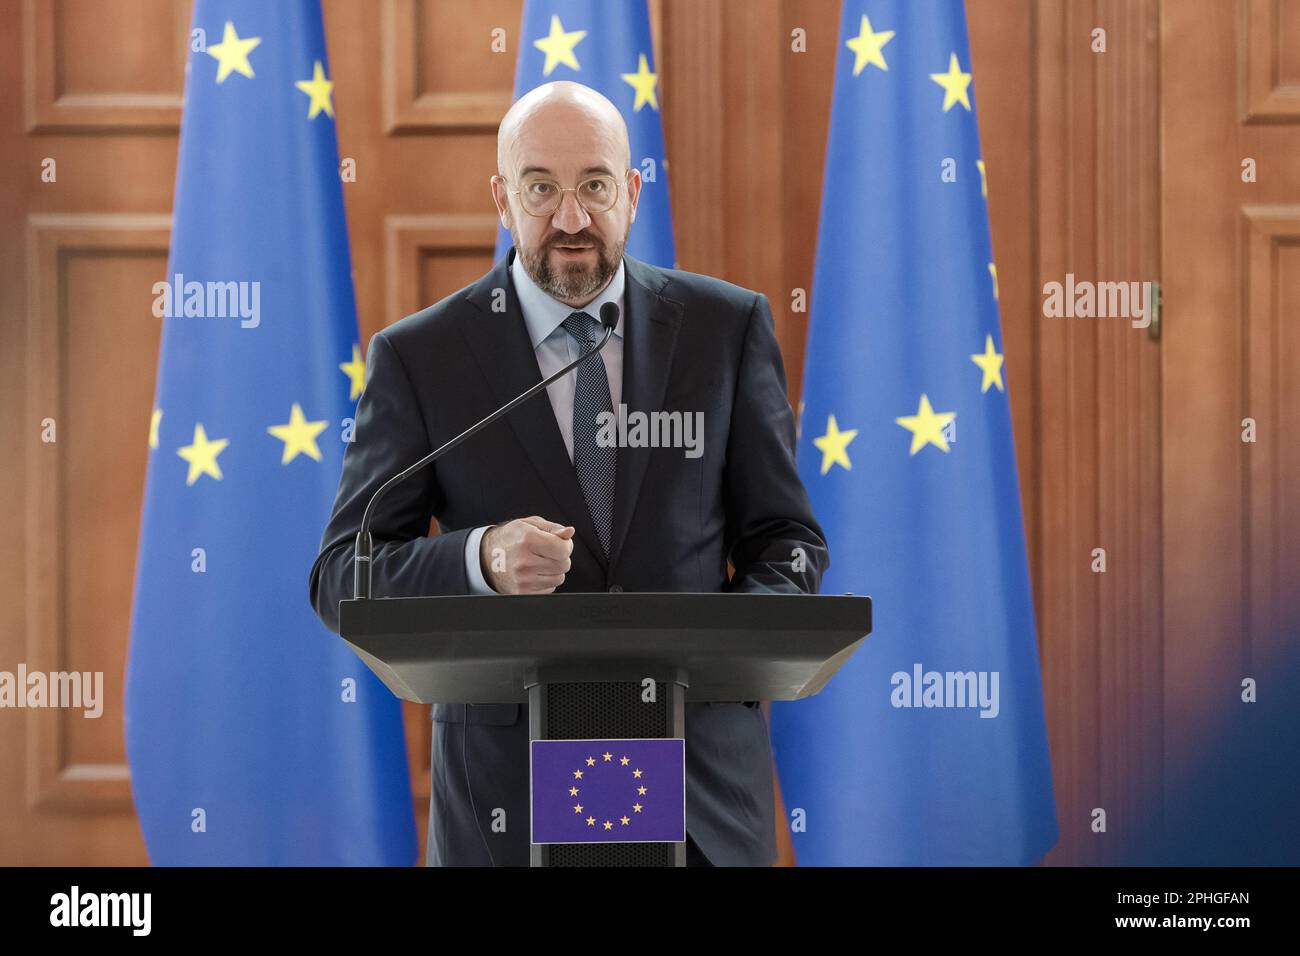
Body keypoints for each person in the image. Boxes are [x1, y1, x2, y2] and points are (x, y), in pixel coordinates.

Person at [309, 80, 828, 866]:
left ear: (632, 190)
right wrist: (478, 560)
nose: (571, 217)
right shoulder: (423, 357)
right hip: (503, 811)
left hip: (701, 799)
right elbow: (341, 575)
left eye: (593, 185)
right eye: (541, 188)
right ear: (502, 198)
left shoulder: (726, 330)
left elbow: (786, 542)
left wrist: (719, 654)